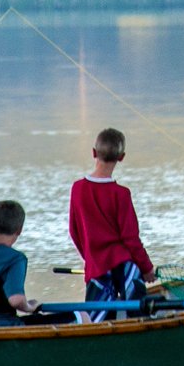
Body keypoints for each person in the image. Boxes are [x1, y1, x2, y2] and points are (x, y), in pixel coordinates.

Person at [68, 127, 156, 321]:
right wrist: (147, 268)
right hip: (125, 265)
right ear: (122, 157)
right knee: (140, 315)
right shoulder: (121, 194)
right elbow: (131, 239)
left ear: (94, 153)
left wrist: (90, 259)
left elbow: (74, 232)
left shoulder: (77, 189)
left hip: (97, 267)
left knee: (97, 321)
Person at [0, 200, 77, 327]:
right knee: (80, 316)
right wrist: (29, 307)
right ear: (19, 230)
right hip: (0, 329)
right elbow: (16, 300)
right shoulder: (15, 259)